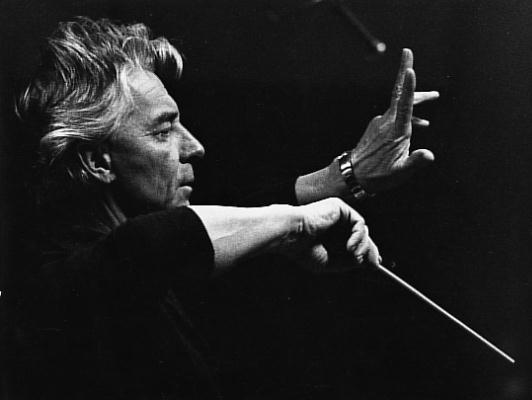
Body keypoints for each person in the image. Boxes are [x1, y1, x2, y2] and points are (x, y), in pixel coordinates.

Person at [5, 17, 438, 400]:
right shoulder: (52, 280)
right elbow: (155, 244)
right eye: (163, 131)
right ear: (98, 162)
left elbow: (201, 229)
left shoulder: (136, 269)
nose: (194, 146)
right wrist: (295, 223)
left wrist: (348, 174)